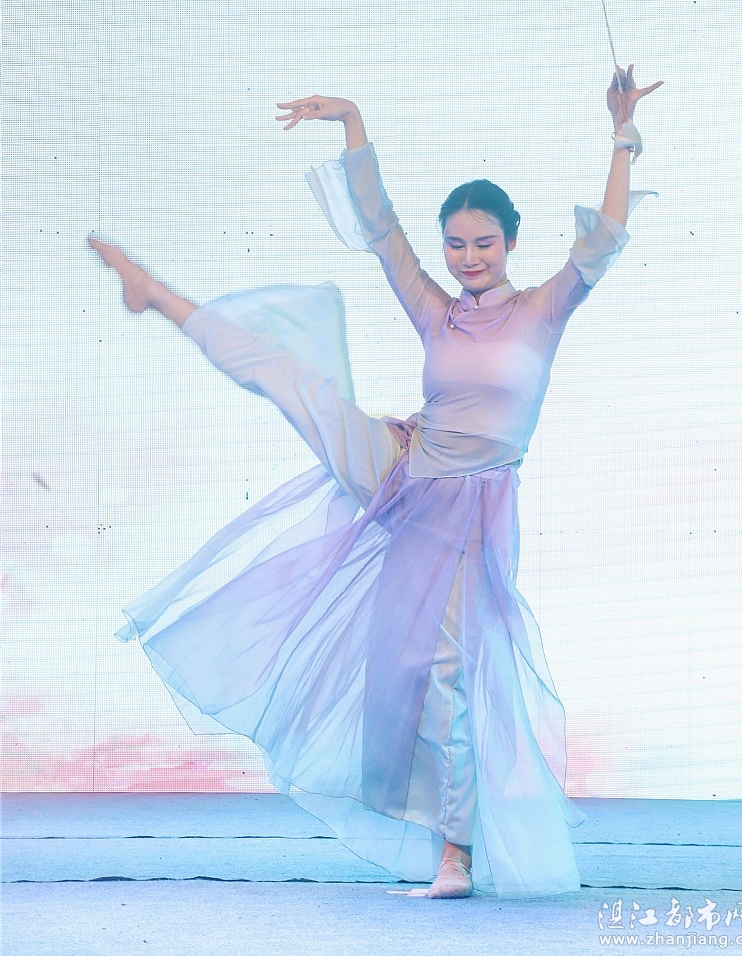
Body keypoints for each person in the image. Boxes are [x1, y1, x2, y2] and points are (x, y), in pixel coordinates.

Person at [89, 66, 662, 898]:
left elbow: (602, 238)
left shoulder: (544, 308)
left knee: (441, 676)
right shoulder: (435, 308)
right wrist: (353, 122)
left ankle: (456, 852)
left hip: (471, 514)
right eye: (456, 244)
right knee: (294, 384)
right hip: (404, 470)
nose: (468, 258)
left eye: (483, 243)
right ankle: (157, 296)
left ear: (510, 242)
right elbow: (382, 228)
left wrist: (621, 134)